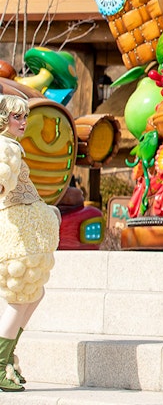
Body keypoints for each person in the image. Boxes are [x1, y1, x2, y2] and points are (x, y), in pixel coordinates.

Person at [0, 95, 59, 393]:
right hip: (19, 238)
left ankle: (7, 358)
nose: (23, 122)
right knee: (20, 298)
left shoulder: (10, 145)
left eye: (24, 117)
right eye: (16, 117)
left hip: (25, 235)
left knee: (33, 295)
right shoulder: (7, 148)